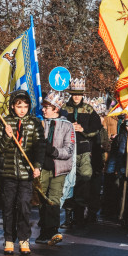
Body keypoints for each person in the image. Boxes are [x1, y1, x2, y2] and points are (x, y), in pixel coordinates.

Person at [0, 90, 46, 256]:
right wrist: (7, 137)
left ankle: (24, 238)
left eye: (25, 106)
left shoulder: (34, 122)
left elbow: (40, 146)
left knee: (24, 205)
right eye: (18, 106)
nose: (22, 109)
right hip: (8, 173)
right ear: (12, 106)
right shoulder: (4, 121)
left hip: (26, 174)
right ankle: (9, 238)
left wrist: (37, 166)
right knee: (8, 207)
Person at [37, 93, 75, 245]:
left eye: (47, 108)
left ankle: (52, 231)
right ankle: (43, 230)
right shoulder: (40, 123)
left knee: (53, 199)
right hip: (42, 168)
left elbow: (69, 149)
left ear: (56, 109)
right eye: (44, 107)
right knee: (41, 199)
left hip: (58, 168)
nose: (44, 110)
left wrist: (54, 151)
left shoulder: (67, 125)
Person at [63, 78, 102, 227]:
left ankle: (79, 215)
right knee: (67, 183)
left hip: (84, 151)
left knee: (84, 181)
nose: (76, 97)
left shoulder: (89, 110)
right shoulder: (64, 109)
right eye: (74, 94)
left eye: (78, 94)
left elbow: (96, 129)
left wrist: (83, 130)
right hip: (67, 151)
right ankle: (67, 215)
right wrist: (68, 126)